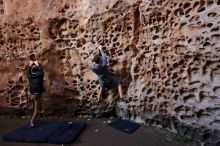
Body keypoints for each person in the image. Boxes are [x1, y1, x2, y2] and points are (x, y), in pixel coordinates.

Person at [26, 54, 44, 127]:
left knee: (31, 89)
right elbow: (41, 69)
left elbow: (28, 70)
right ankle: (32, 122)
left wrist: (30, 65)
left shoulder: (29, 76)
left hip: (30, 93)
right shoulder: (40, 75)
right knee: (36, 110)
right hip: (36, 95)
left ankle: (31, 103)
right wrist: (37, 64)